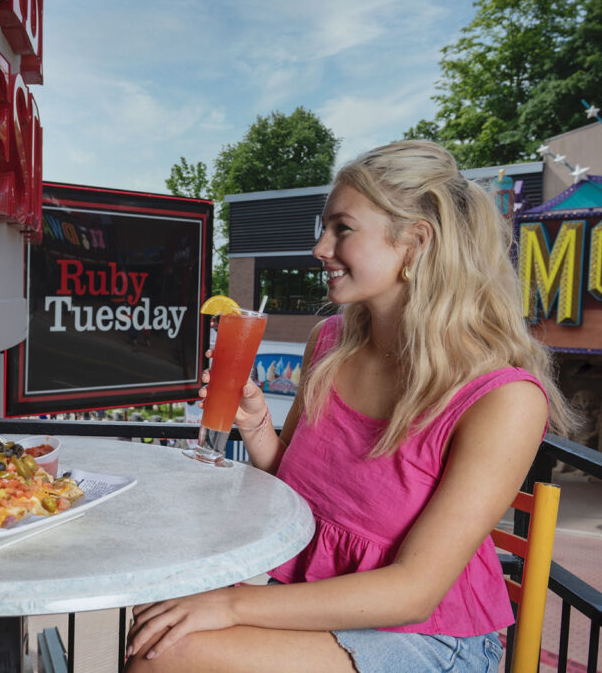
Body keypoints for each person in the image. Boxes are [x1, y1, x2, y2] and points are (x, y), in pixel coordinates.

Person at [125, 140, 578, 672]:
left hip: (428, 636)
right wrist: (257, 428)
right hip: (327, 606)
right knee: (159, 622)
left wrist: (227, 602)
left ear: (415, 241)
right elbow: (302, 497)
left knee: (171, 648)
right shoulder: (329, 342)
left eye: (342, 228)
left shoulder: (504, 398)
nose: (320, 247)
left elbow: (413, 592)